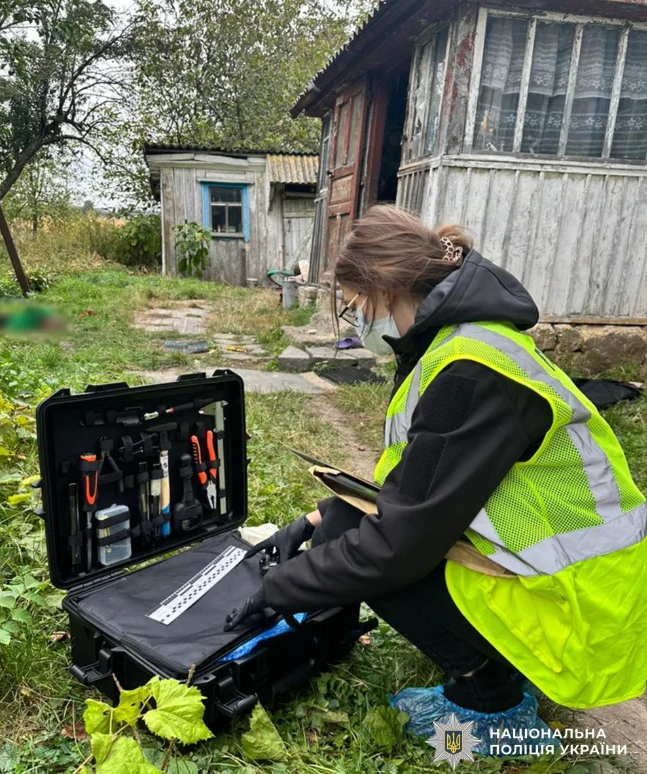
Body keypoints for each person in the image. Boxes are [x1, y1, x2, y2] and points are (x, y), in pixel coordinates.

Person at [225, 204, 647, 744]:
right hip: (568, 581)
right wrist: (312, 520)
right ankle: (494, 666)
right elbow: (419, 489)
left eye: (357, 307)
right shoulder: (467, 343)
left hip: (581, 613)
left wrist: (278, 590)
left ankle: (492, 704)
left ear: (386, 290)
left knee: (367, 555)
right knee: (340, 531)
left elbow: (398, 547)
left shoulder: (469, 372)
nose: (361, 323)